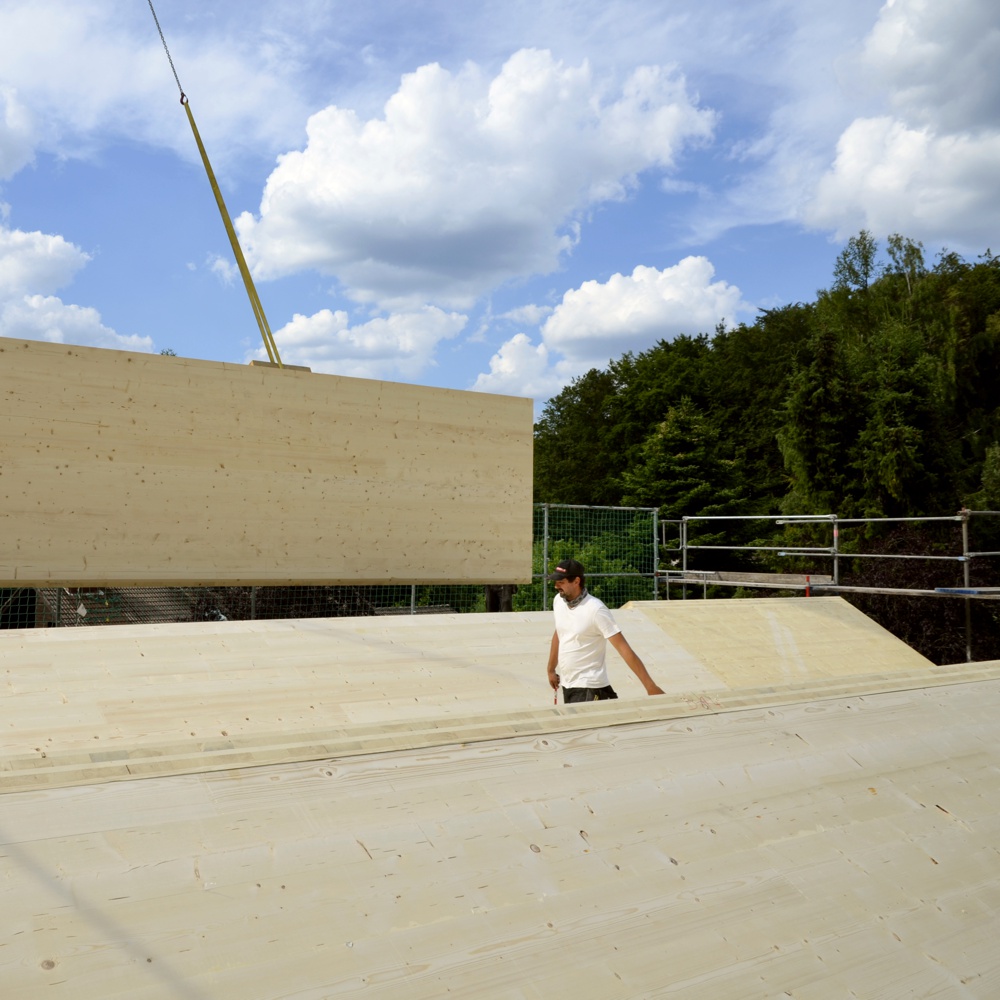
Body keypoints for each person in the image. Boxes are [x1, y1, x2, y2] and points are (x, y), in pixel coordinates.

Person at [546, 558, 664, 703]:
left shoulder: (595, 610)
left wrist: (650, 687)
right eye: (555, 582)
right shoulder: (559, 601)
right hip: (568, 685)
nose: (556, 586)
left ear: (576, 581)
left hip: (590, 687)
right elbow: (560, 632)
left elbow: (623, 648)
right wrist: (551, 669)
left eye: (561, 582)